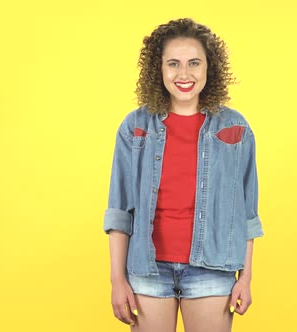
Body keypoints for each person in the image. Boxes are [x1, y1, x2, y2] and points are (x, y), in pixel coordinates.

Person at [103, 17, 264, 332]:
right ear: (158, 69)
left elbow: (246, 212)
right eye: (173, 64)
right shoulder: (134, 127)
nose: (184, 74)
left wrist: (246, 277)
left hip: (212, 270)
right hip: (147, 271)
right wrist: (117, 280)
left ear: (209, 68)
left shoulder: (236, 128)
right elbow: (119, 211)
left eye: (194, 63)